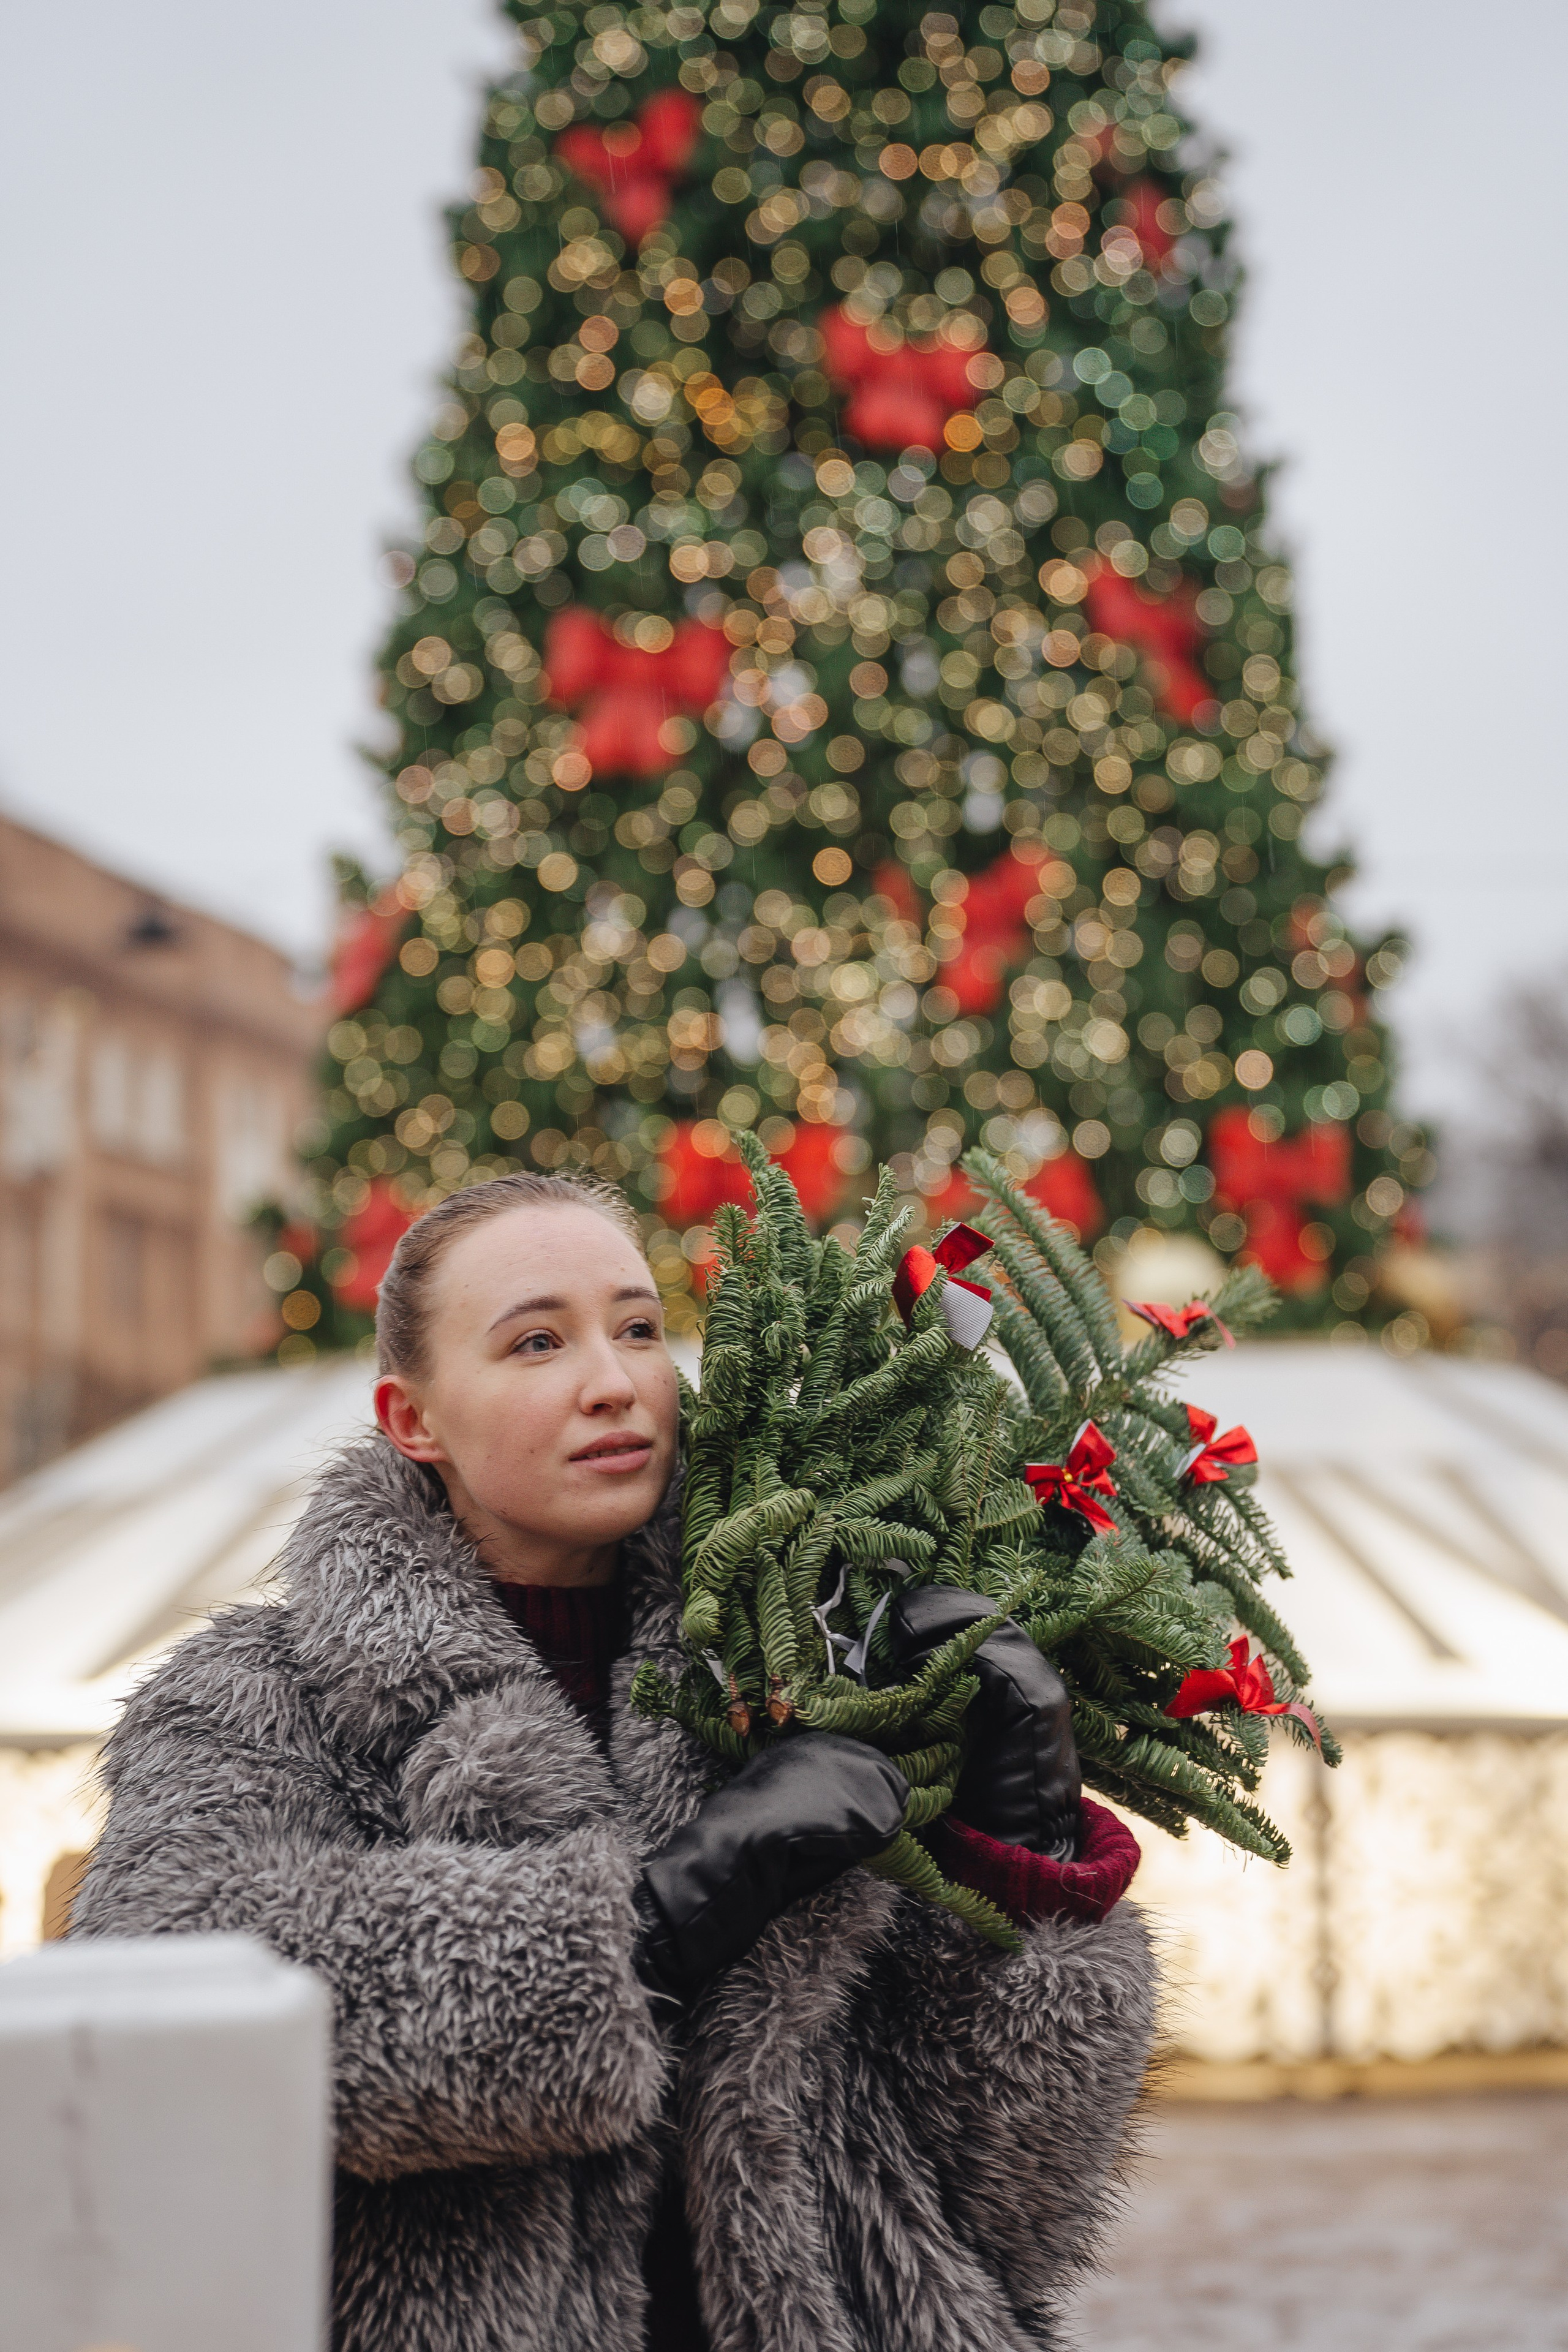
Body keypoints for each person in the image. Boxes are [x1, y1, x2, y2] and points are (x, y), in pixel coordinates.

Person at [73, 1170, 1155, 2352]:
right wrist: (663, 1912)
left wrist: (1029, 1862)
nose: (614, 1383)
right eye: (537, 1342)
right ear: (413, 1418)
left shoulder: (804, 1666)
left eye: (639, 1329)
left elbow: (1013, 2207)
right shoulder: (253, 1700)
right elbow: (173, 2027)